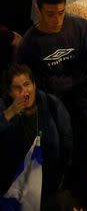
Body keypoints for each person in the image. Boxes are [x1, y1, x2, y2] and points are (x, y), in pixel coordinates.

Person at [16, 0, 87, 199]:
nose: (56, 20)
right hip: (50, 104)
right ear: (39, 10)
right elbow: (33, 82)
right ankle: (54, 186)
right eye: (50, 14)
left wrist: (62, 83)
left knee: (81, 141)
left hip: (79, 99)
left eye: (61, 13)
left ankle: (81, 182)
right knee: (57, 145)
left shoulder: (80, 28)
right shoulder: (29, 43)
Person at [0, 64, 73, 204]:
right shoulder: (4, 107)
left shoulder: (52, 104)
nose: (24, 91)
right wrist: (9, 113)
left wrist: (61, 175)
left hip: (47, 182)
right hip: (16, 186)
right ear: (9, 92)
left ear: (34, 85)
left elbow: (67, 141)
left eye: (27, 84)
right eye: (17, 88)